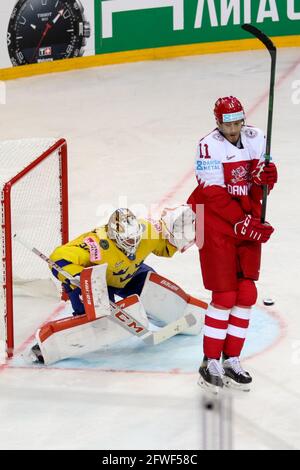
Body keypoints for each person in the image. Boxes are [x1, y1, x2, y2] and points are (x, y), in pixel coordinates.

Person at [31, 205, 205, 364]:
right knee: (99, 323)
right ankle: (49, 346)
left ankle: (188, 312)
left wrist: (175, 226)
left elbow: (165, 243)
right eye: (128, 242)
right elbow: (57, 258)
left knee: (155, 291)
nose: (133, 245)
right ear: (115, 236)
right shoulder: (95, 245)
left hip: (130, 274)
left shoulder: (145, 231)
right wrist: (78, 277)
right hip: (96, 283)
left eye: (135, 240)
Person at [187, 96, 278, 392]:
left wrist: (267, 178)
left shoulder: (256, 138)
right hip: (213, 221)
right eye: (227, 124)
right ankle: (210, 361)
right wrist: (241, 222)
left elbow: (262, 183)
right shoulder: (208, 146)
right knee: (224, 295)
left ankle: (232, 359)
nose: (234, 128)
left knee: (246, 293)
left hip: (245, 220)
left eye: (238, 122)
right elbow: (212, 193)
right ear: (218, 123)